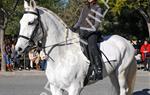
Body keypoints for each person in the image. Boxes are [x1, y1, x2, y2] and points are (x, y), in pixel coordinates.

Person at [71, 0, 103, 80]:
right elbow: (79, 22)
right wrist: (74, 28)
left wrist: (89, 31)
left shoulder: (98, 8)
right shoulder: (84, 8)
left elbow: (97, 24)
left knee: (92, 47)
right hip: (82, 32)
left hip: (92, 33)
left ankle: (98, 70)